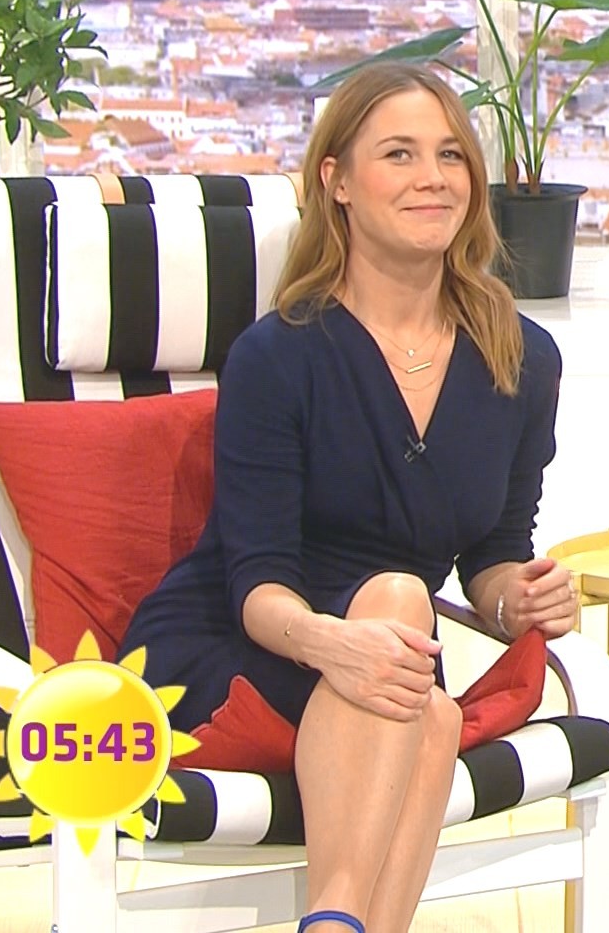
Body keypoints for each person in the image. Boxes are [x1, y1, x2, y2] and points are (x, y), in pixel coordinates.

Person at [121, 61, 580, 933]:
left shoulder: (522, 360)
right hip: (239, 651)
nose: (432, 177)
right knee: (411, 649)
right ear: (336, 182)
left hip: (390, 669)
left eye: (450, 155)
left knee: (423, 699)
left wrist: (516, 598)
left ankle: (334, 921)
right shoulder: (277, 356)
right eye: (399, 154)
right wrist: (333, 644)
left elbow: (493, 552)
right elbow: (254, 581)